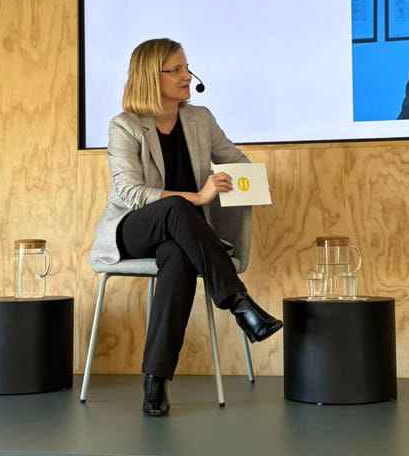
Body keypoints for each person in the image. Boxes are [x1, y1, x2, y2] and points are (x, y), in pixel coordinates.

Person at [89, 38, 282, 417]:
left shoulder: (200, 119)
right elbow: (130, 192)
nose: (187, 76)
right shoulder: (125, 126)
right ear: (151, 77)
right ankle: (239, 304)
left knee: (178, 257)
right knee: (177, 207)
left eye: (186, 68)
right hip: (133, 229)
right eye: (176, 70)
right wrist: (197, 196)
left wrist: (253, 184)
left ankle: (155, 381)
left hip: (181, 236)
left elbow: (234, 160)